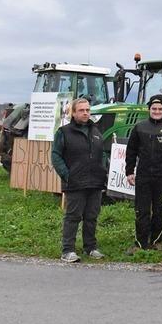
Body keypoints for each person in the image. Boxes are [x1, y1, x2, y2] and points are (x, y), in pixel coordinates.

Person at [125, 94, 162, 253]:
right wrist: (129, 171)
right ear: (149, 109)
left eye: (160, 109)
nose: (157, 111)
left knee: (159, 210)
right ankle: (140, 243)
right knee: (142, 210)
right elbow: (131, 151)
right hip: (143, 175)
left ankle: (157, 241)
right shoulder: (140, 127)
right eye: (154, 108)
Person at [52, 98, 107, 263]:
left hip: (95, 182)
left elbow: (102, 153)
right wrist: (67, 175)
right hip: (75, 182)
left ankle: (90, 247)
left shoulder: (96, 131)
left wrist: (103, 171)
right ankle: (67, 250)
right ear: (73, 113)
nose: (85, 113)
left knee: (91, 216)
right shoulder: (64, 132)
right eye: (81, 110)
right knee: (73, 216)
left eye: (87, 110)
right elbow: (56, 155)